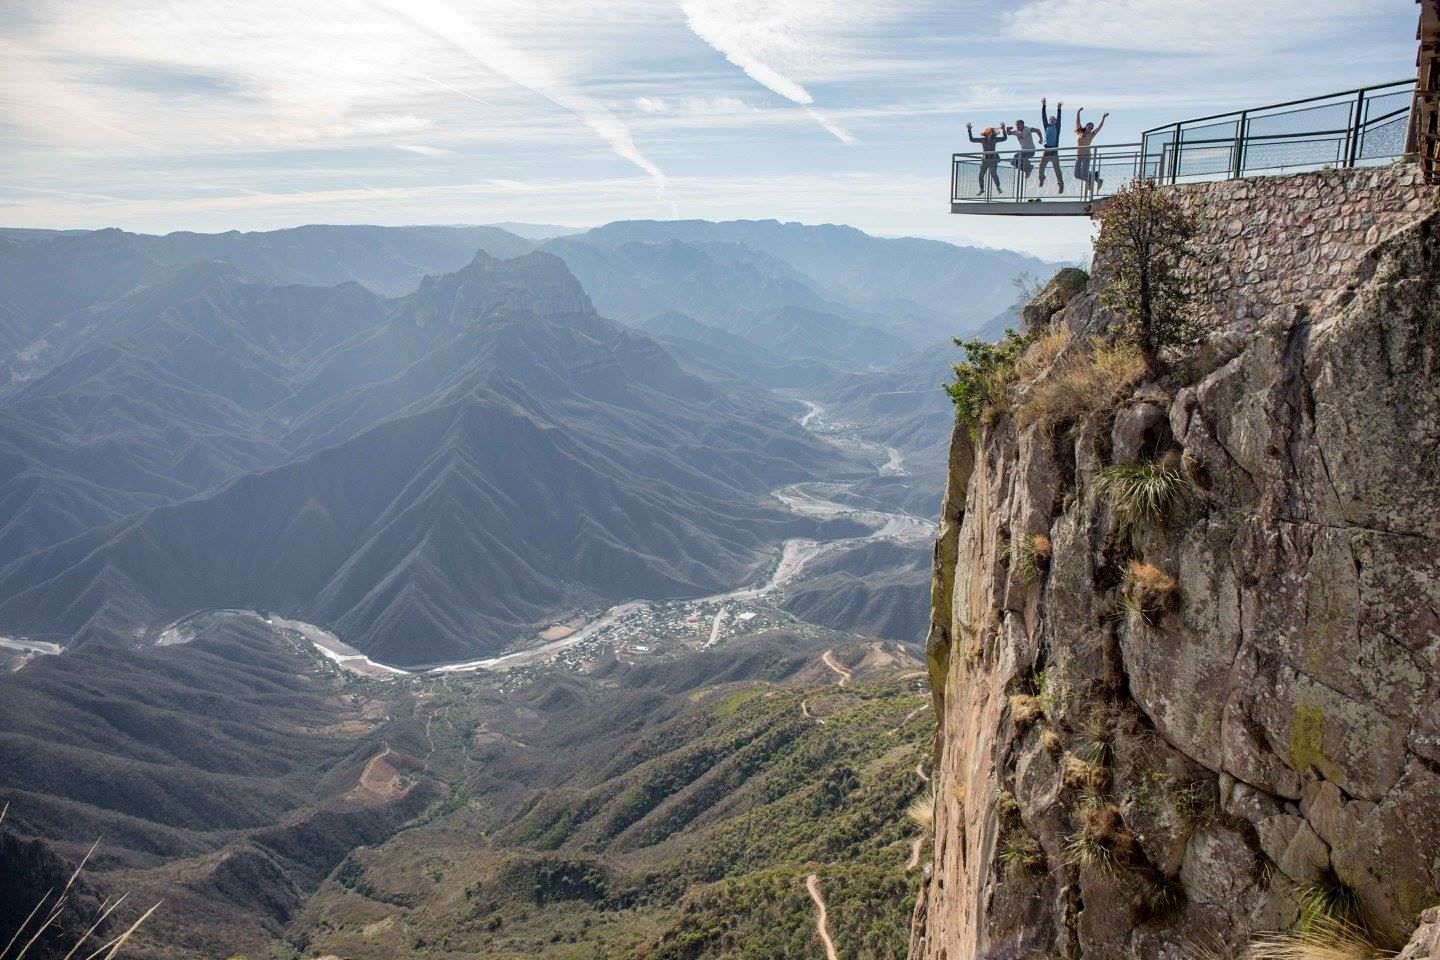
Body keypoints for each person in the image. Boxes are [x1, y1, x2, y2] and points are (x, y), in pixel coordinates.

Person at [966, 122, 1009, 195]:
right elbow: (972, 139)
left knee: (993, 174)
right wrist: (969, 130)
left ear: (992, 134)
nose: (988, 136)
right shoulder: (983, 140)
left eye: (989, 134)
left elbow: (1005, 138)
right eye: (987, 134)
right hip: (985, 160)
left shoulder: (995, 139)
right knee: (981, 175)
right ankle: (982, 189)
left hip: (993, 160)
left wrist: (1003, 130)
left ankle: (998, 187)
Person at [1074, 107, 1109, 194]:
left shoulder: (1091, 135)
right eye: (1088, 126)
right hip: (1079, 156)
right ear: (1086, 126)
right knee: (1076, 175)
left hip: (1086, 156)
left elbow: (1099, 127)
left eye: (1091, 127)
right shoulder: (1079, 133)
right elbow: (1078, 122)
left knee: (1084, 175)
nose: (1090, 128)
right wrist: (1078, 112)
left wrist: (1103, 118)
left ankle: (1093, 179)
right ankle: (1095, 177)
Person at [1039, 97, 1064, 192]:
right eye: (1050, 119)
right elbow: (1043, 117)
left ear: (1056, 121)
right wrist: (1044, 105)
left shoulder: (1057, 127)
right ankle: (1042, 179)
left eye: (1054, 119)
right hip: (1046, 150)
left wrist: (1059, 109)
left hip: (1054, 150)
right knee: (1041, 166)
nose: (1052, 120)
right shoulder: (1046, 126)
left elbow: (1059, 118)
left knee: (1057, 169)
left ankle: (1061, 184)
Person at [1007, 118, 1042, 185]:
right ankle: (1027, 170)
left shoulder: (1027, 129)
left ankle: (1029, 167)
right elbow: (1009, 133)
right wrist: (1006, 129)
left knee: (1023, 159)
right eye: (1016, 125)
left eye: (1018, 125)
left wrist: (1041, 138)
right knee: (1013, 162)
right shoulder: (1016, 131)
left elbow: (1037, 130)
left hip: (1031, 151)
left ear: (1022, 124)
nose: (1017, 127)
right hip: (1023, 152)